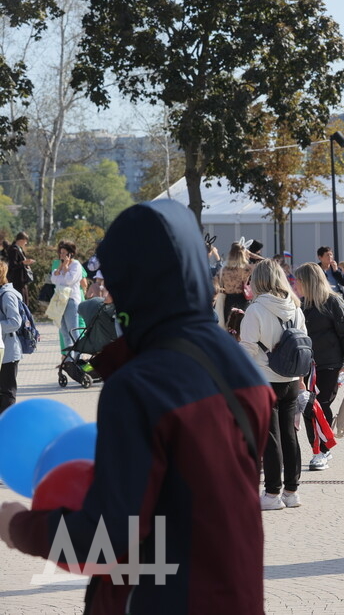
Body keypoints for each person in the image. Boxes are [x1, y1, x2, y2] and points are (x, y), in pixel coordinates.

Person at [0, 200, 275, 612]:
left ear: (132, 280)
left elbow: (106, 537)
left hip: (159, 598)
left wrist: (18, 526)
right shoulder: (241, 367)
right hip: (236, 595)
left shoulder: (141, 385)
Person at [240, 258, 307, 510]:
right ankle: (291, 491)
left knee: (270, 438)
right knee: (289, 434)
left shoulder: (255, 310)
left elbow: (246, 349)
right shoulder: (295, 307)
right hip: (290, 378)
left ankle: (272, 494)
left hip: (264, 379)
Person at [295, 262, 344, 471]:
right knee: (307, 406)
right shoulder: (300, 305)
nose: (295, 285)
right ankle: (319, 448)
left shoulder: (332, 302)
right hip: (306, 365)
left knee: (320, 404)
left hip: (330, 364)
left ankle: (322, 450)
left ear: (308, 282)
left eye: (298, 281)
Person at [51, 240, 84, 355]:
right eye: (61, 253)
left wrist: (65, 268)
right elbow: (54, 280)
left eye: (64, 253)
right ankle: (69, 360)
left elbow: (69, 280)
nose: (62, 255)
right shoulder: (60, 266)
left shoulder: (76, 265)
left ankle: (78, 358)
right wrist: (61, 268)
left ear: (71, 254)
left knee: (73, 331)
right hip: (60, 300)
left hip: (71, 300)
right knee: (64, 332)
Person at [219, 242, 252, 324]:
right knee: (243, 326)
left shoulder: (224, 269)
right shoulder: (246, 269)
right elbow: (246, 283)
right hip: (242, 299)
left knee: (229, 325)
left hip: (229, 300)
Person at [0, 261, 15, 415]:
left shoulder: (7, 295)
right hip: (2, 348)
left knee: (7, 392)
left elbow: (15, 322)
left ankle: (8, 424)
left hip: (8, 350)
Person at [5, 232, 34, 300]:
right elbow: (13, 265)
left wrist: (26, 264)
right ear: (21, 240)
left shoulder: (19, 249)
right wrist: (23, 263)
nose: (26, 243)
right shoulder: (13, 250)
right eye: (25, 241)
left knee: (25, 300)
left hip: (22, 280)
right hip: (17, 280)